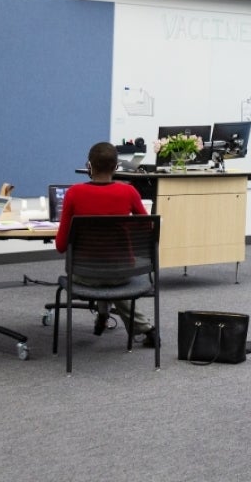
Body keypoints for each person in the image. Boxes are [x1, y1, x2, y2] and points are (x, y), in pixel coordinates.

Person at [56, 141, 158, 347]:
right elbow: (147, 230)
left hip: (84, 273)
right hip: (121, 271)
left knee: (100, 272)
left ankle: (106, 314)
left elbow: (60, 245)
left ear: (89, 167)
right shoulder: (129, 192)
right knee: (110, 274)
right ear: (116, 168)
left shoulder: (74, 193)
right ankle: (145, 329)